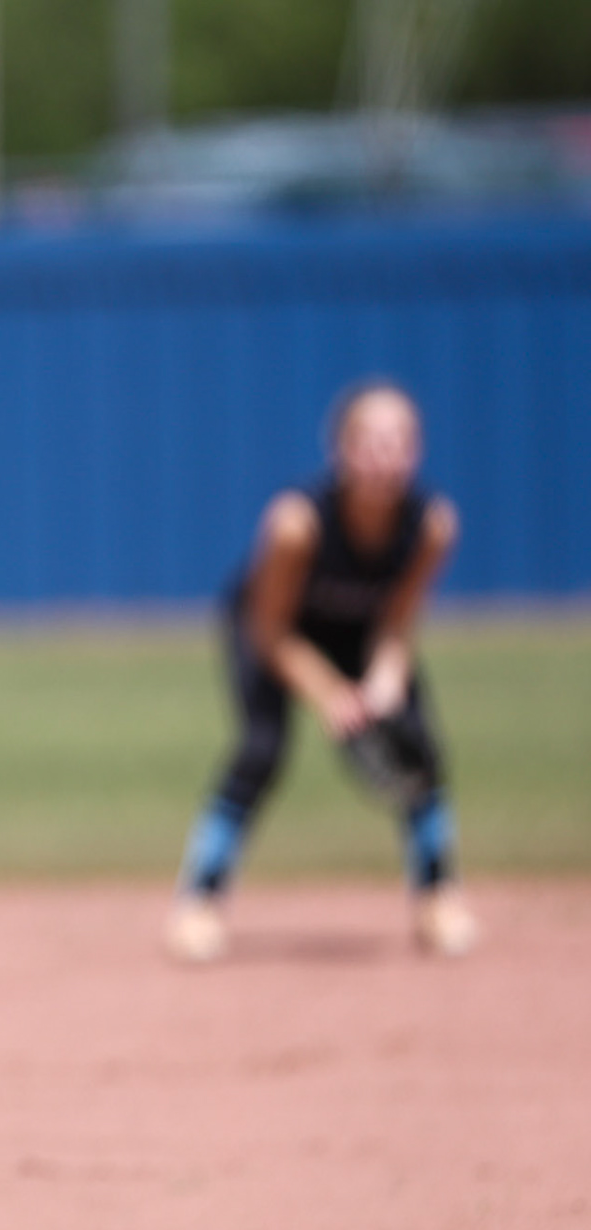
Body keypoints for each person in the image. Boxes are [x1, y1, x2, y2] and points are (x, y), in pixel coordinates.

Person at [165, 379, 477, 963]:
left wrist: (385, 680)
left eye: (400, 442)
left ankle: (438, 895)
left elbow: (398, 619)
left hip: (361, 633)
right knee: (261, 750)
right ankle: (199, 901)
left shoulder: (433, 526)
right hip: (271, 625)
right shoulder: (297, 524)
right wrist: (329, 695)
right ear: (341, 450)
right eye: (371, 443)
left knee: (418, 746)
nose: (385, 458)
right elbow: (270, 630)